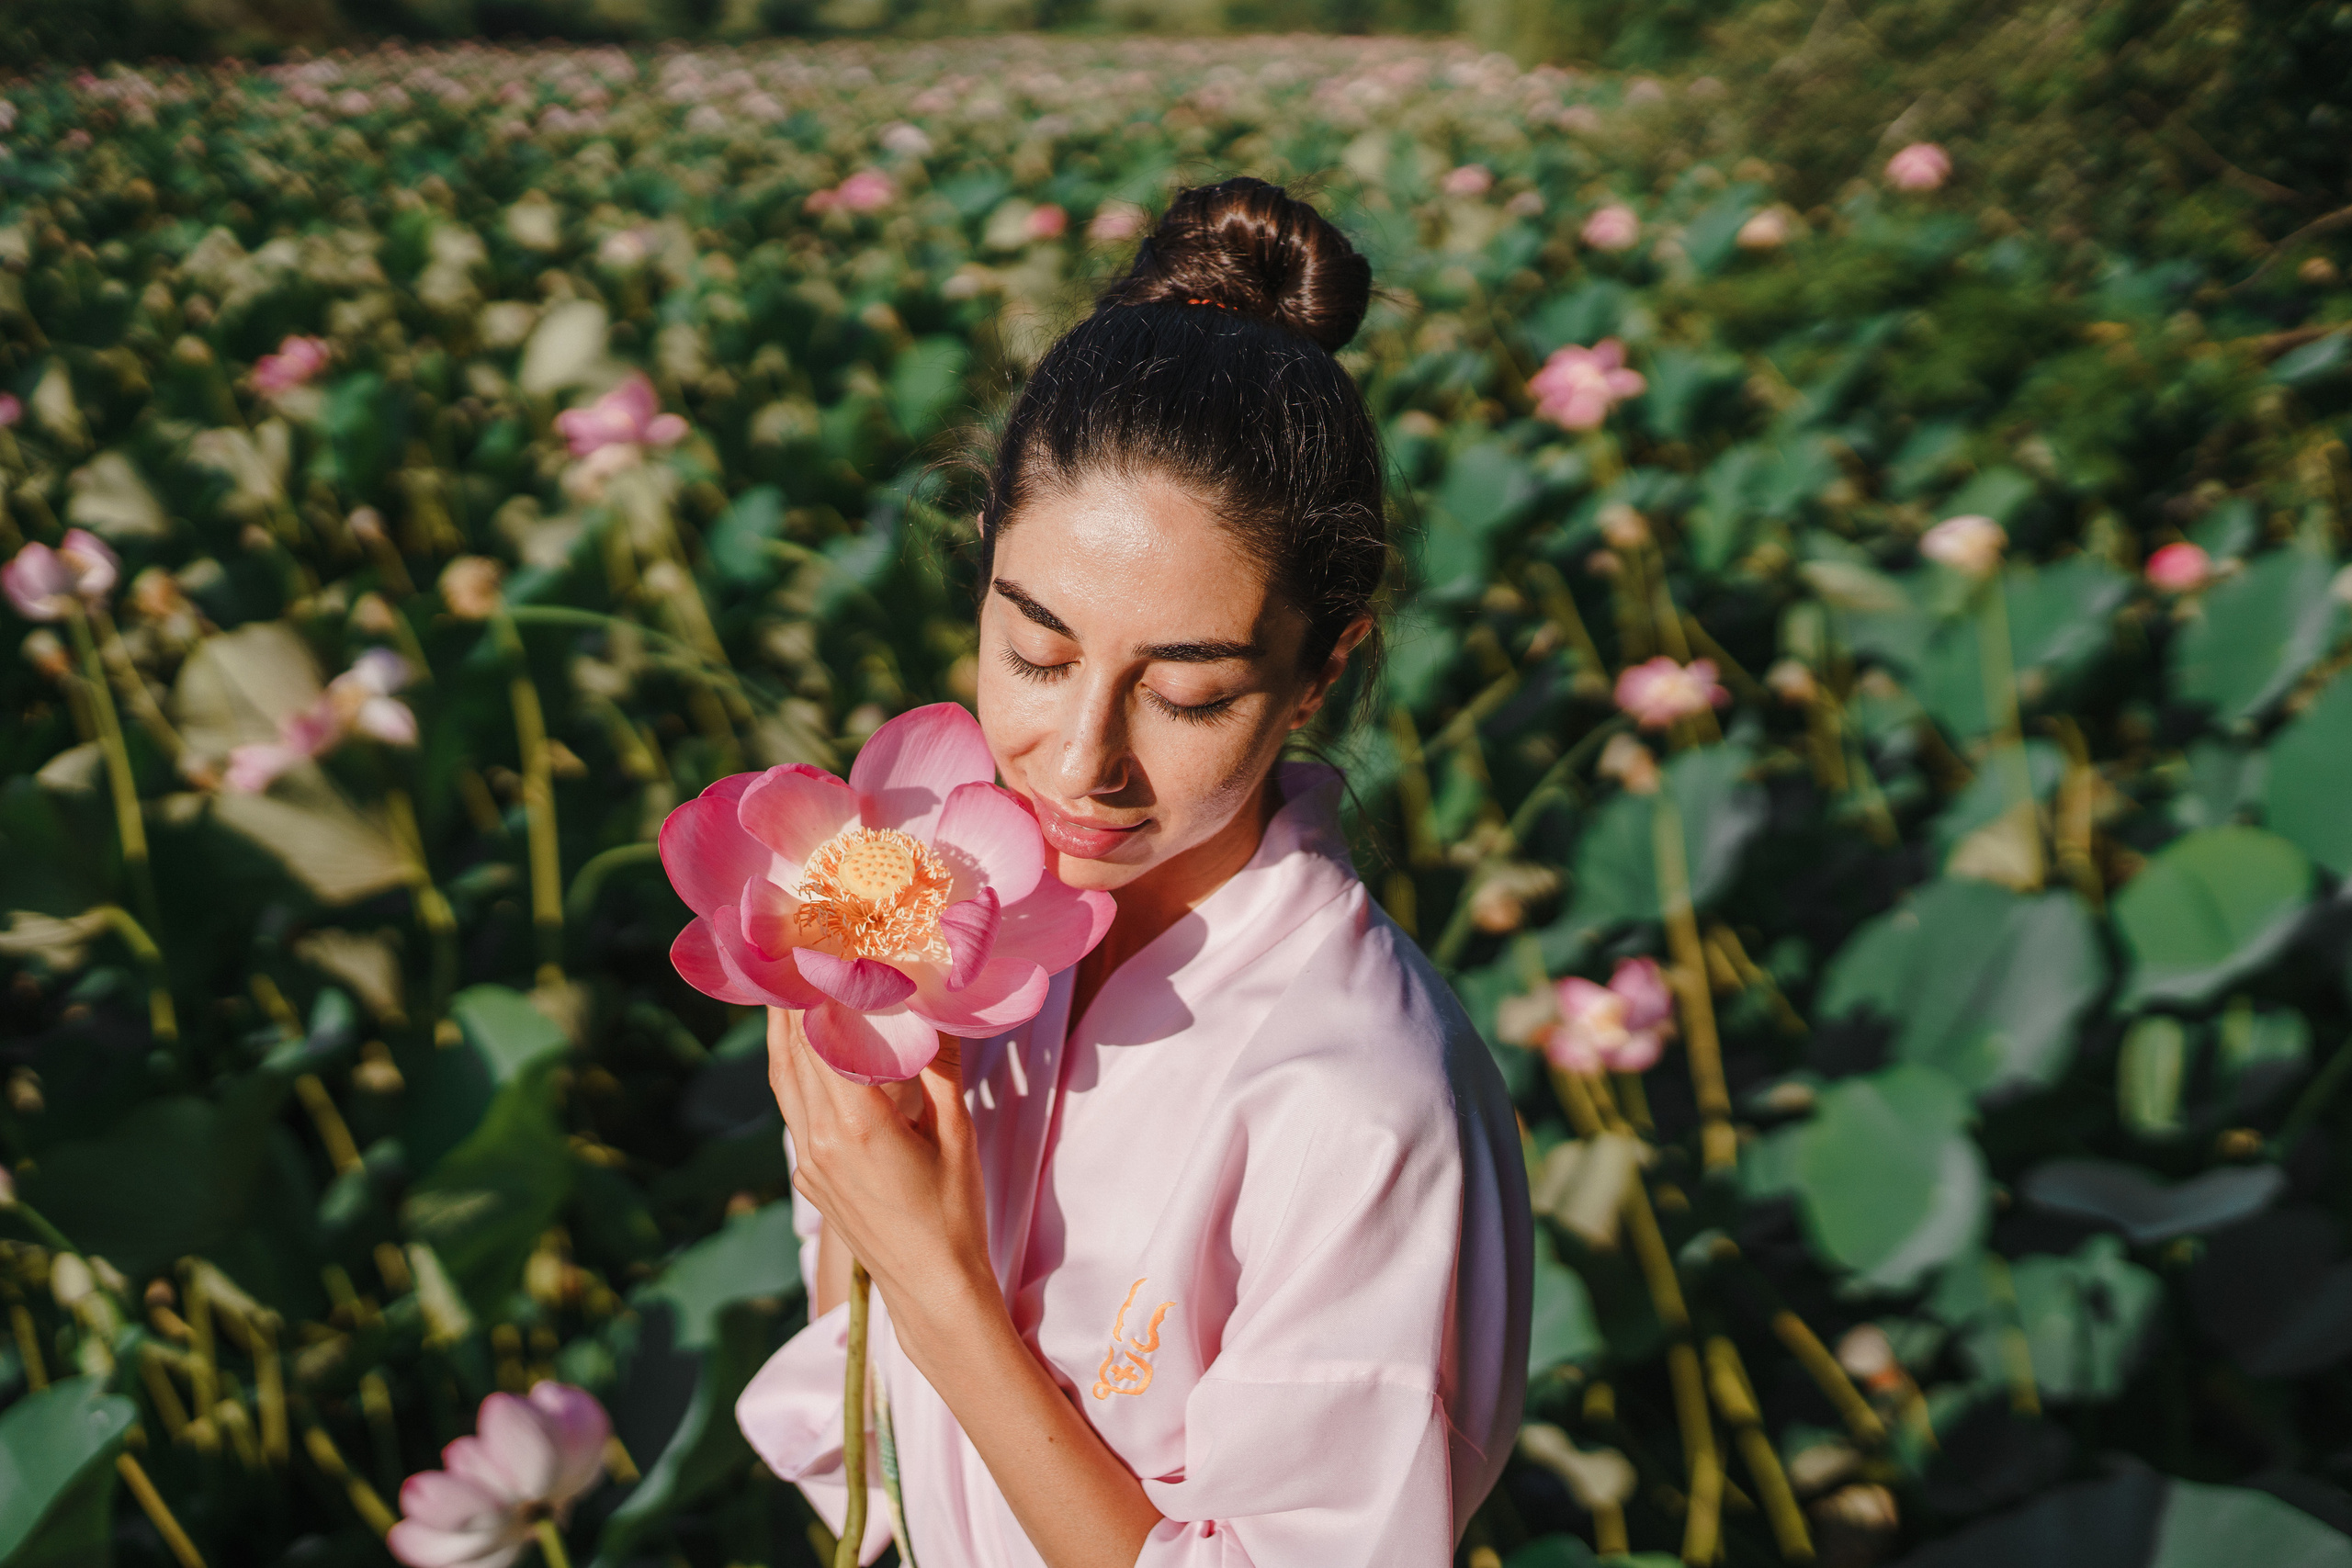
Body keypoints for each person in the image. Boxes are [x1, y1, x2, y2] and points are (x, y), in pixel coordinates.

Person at [741, 176, 1532, 1568]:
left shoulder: (1363, 1109)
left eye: (1187, 694)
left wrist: (937, 1283)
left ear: (1316, 672)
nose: (1078, 763)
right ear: (985, 565)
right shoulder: (921, 942)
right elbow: (863, 1443)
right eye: (1037, 656)